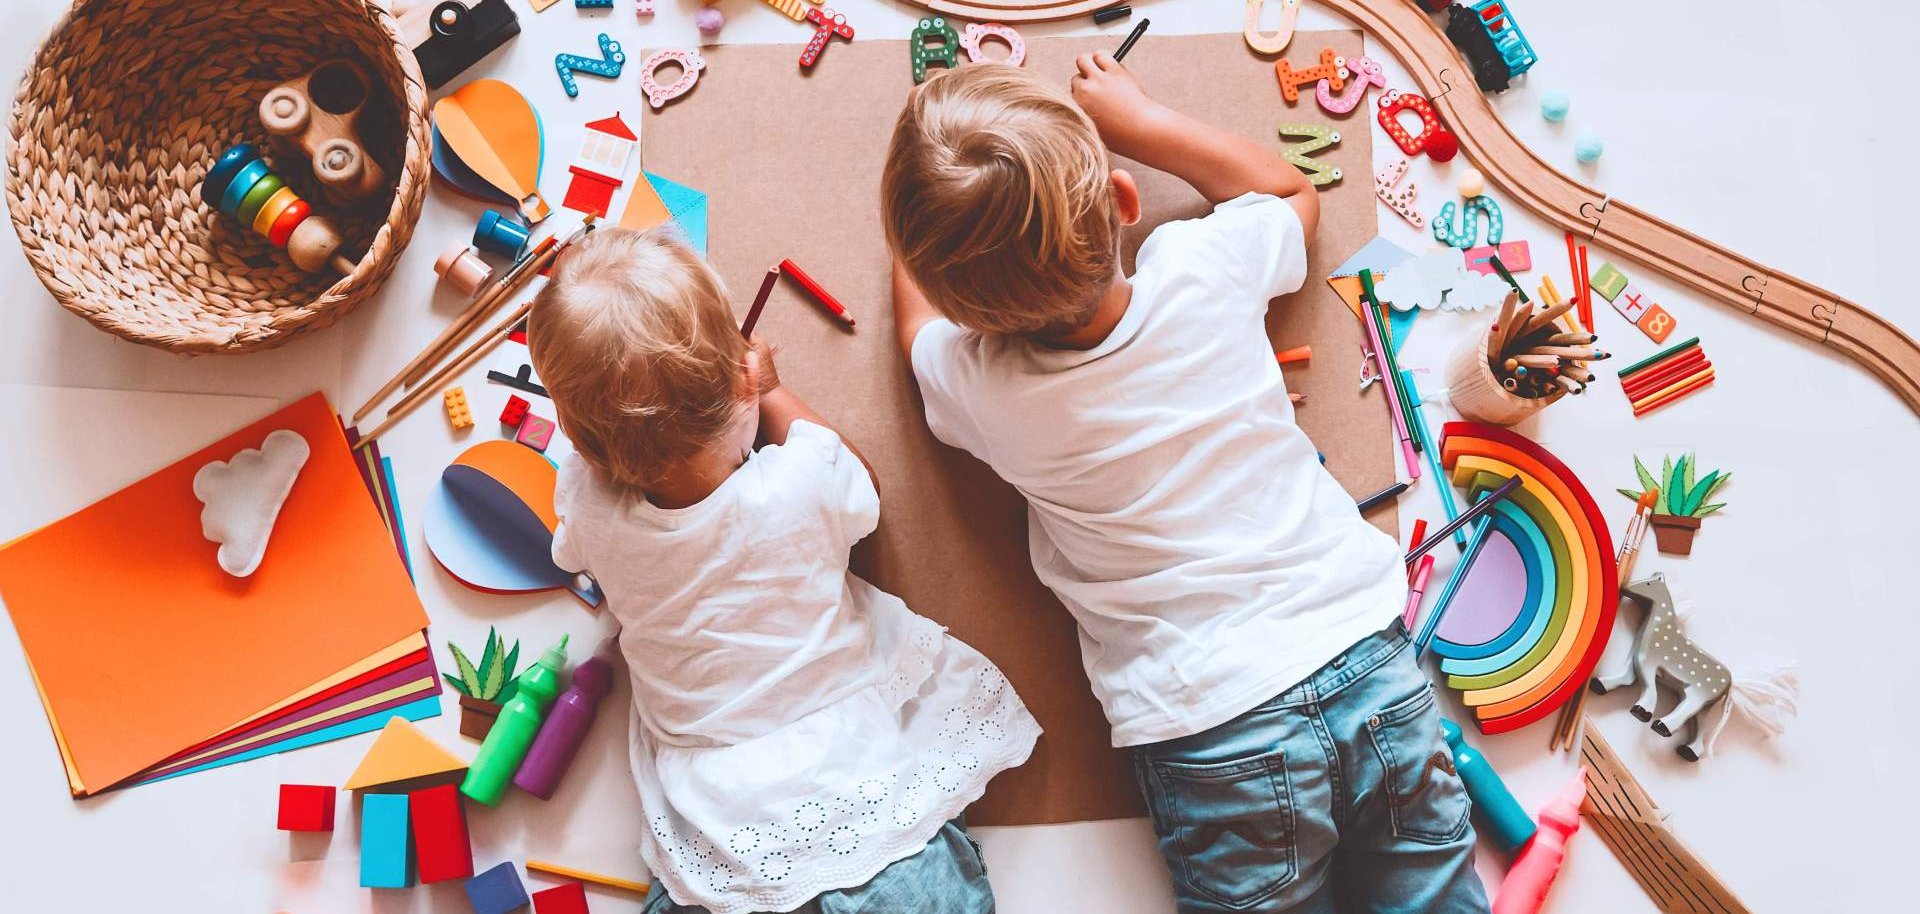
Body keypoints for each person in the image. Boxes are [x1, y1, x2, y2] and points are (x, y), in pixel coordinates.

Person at [882, 59, 1488, 914]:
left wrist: (922, 201)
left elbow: (916, 328)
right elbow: (1291, 195)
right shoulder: (1203, 265)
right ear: (1125, 200)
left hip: (1209, 727)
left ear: (966, 311)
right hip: (1364, 659)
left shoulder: (981, 386)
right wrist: (1139, 120)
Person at [530, 227, 1040, 914]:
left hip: (716, 818)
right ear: (742, 377)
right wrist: (772, 391)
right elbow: (864, 487)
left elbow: (572, 550)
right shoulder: (799, 482)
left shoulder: (590, 508)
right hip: (855, 777)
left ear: (575, 434)